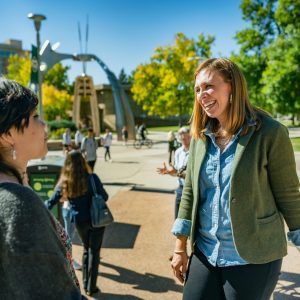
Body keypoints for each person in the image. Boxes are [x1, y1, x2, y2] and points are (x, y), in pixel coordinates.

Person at [171, 58, 300, 300]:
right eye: (197, 89)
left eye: (209, 86)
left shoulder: (271, 133)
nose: (202, 95)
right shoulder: (200, 137)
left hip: (255, 255)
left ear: (232, 86)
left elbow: (288, 194)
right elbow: (189, 192)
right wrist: (179, 247)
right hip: (206, 251)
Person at [0, 78, 83, 299]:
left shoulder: (15, 188)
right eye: (35, 117)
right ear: (8, 134)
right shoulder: (17, 204)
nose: (44, 124)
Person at [45, 151, 109, 296]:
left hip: (80, 221)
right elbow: (105, 196)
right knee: (95, 251)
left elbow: (51, 202)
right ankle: (91, 287)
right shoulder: (92, 178)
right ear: (83, 162)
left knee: (87, 249)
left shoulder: (65, 181)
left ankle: (86, 283)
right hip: (96, 220)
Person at [158, 127, 191, 219]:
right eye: (182, 138)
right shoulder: (178, 152)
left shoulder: (195, 152)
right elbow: (177, 172)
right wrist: (169, 172)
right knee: (177, 219)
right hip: (180, 189)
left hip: (192, 190)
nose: (185, 140)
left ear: (191, 137)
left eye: (187, 138)